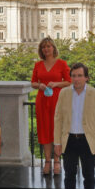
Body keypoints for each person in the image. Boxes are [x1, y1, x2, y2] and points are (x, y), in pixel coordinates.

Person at [53, 63, 95, 189]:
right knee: (69, 176)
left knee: (89, 176)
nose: (76, 79)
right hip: (69, 140)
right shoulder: (64, 93)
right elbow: (58, 119)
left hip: (87, 141)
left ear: (86, 77)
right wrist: (57, 142)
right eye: (74, 76)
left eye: (80, 76)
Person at [31, 37, 71, 175]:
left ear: (53, 48)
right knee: (44, 131)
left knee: (57, 130)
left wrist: (56, 84)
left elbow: (69, 81)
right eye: (43, 47)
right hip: (42, 101)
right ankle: (47, 161)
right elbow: (33, 83)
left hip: (57, 100)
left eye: (48, 46)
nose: (46, 49)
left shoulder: (62, 63)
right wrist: (39, 85)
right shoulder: (38, 65)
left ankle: (57, 160)